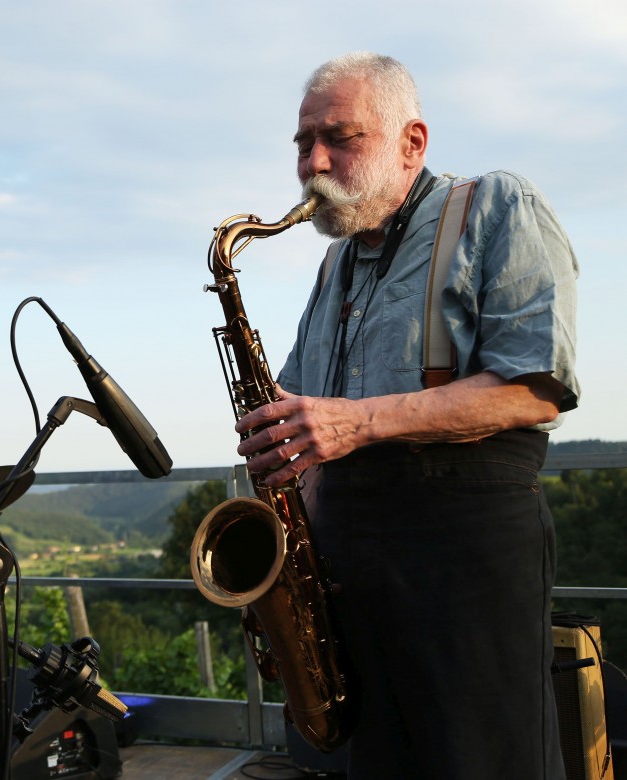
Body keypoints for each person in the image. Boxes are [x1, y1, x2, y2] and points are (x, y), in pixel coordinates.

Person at [234, 53, 578, 779]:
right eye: (304, 142)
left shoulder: (497, 206)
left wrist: (357, 423)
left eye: (340, 137)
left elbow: (535, 389)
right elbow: (307, 434)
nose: (314, 162)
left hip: (464, 551)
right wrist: (287, 564)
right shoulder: (334, 264)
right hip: (351, 559)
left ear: (411, 142)